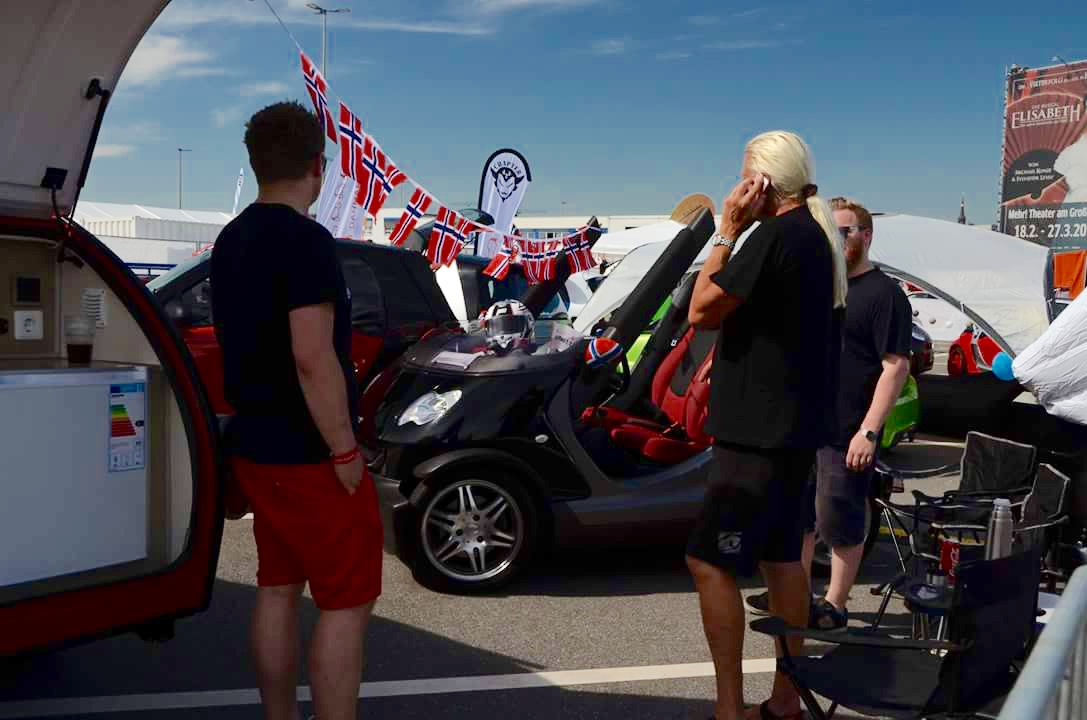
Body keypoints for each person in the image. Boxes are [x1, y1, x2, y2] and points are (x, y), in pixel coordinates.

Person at [211, 101, 382, 720]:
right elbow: (312, 357)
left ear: (257, 163)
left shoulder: (231, 239)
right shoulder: (305, 240)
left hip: (257, 449)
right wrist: (344, 449)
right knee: (346, 603)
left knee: (278, 589)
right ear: (318, 165)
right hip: (310, 456)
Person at [686, 131, 847, 720]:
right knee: (782, 562)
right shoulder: (816, 237)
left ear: (762, 182)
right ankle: (785, 703)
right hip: (792, 436)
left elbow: (700, 309)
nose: (737, 186)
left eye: (743, 175)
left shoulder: (774, 236)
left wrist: (727, 229)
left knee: (709, 561)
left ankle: (728, 709)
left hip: (754, 439)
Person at [747, 198, 911, 630]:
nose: (836, 241)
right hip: (802, 427)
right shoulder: (822, 289)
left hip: (847, 432)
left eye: (845, 231)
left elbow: (896, 367)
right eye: (829, 233)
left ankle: (835, 605)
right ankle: (795, 596)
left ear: (866, 236)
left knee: (839, 522)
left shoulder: (884, 294)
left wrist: (869, 431)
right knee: (799, 520)